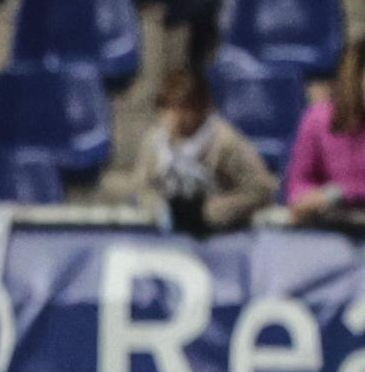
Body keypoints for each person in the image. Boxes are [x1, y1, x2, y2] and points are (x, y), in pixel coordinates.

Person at [110, 67, 278, 235]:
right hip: (170, 239)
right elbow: (142, 187)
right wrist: (161, 210)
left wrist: (210, 211)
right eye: (170, 108)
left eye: (186, 108)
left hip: (222, 236)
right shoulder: (154, 143)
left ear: (202, 108)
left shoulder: (225, 143)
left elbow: (261, 189)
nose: (177, 117)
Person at [284, 36, 365, 230]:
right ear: (355, 77)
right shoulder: (317, 119)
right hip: (329, 227)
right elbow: (297, 184)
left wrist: (338, 193)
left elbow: (346, 191)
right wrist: (310, 198)